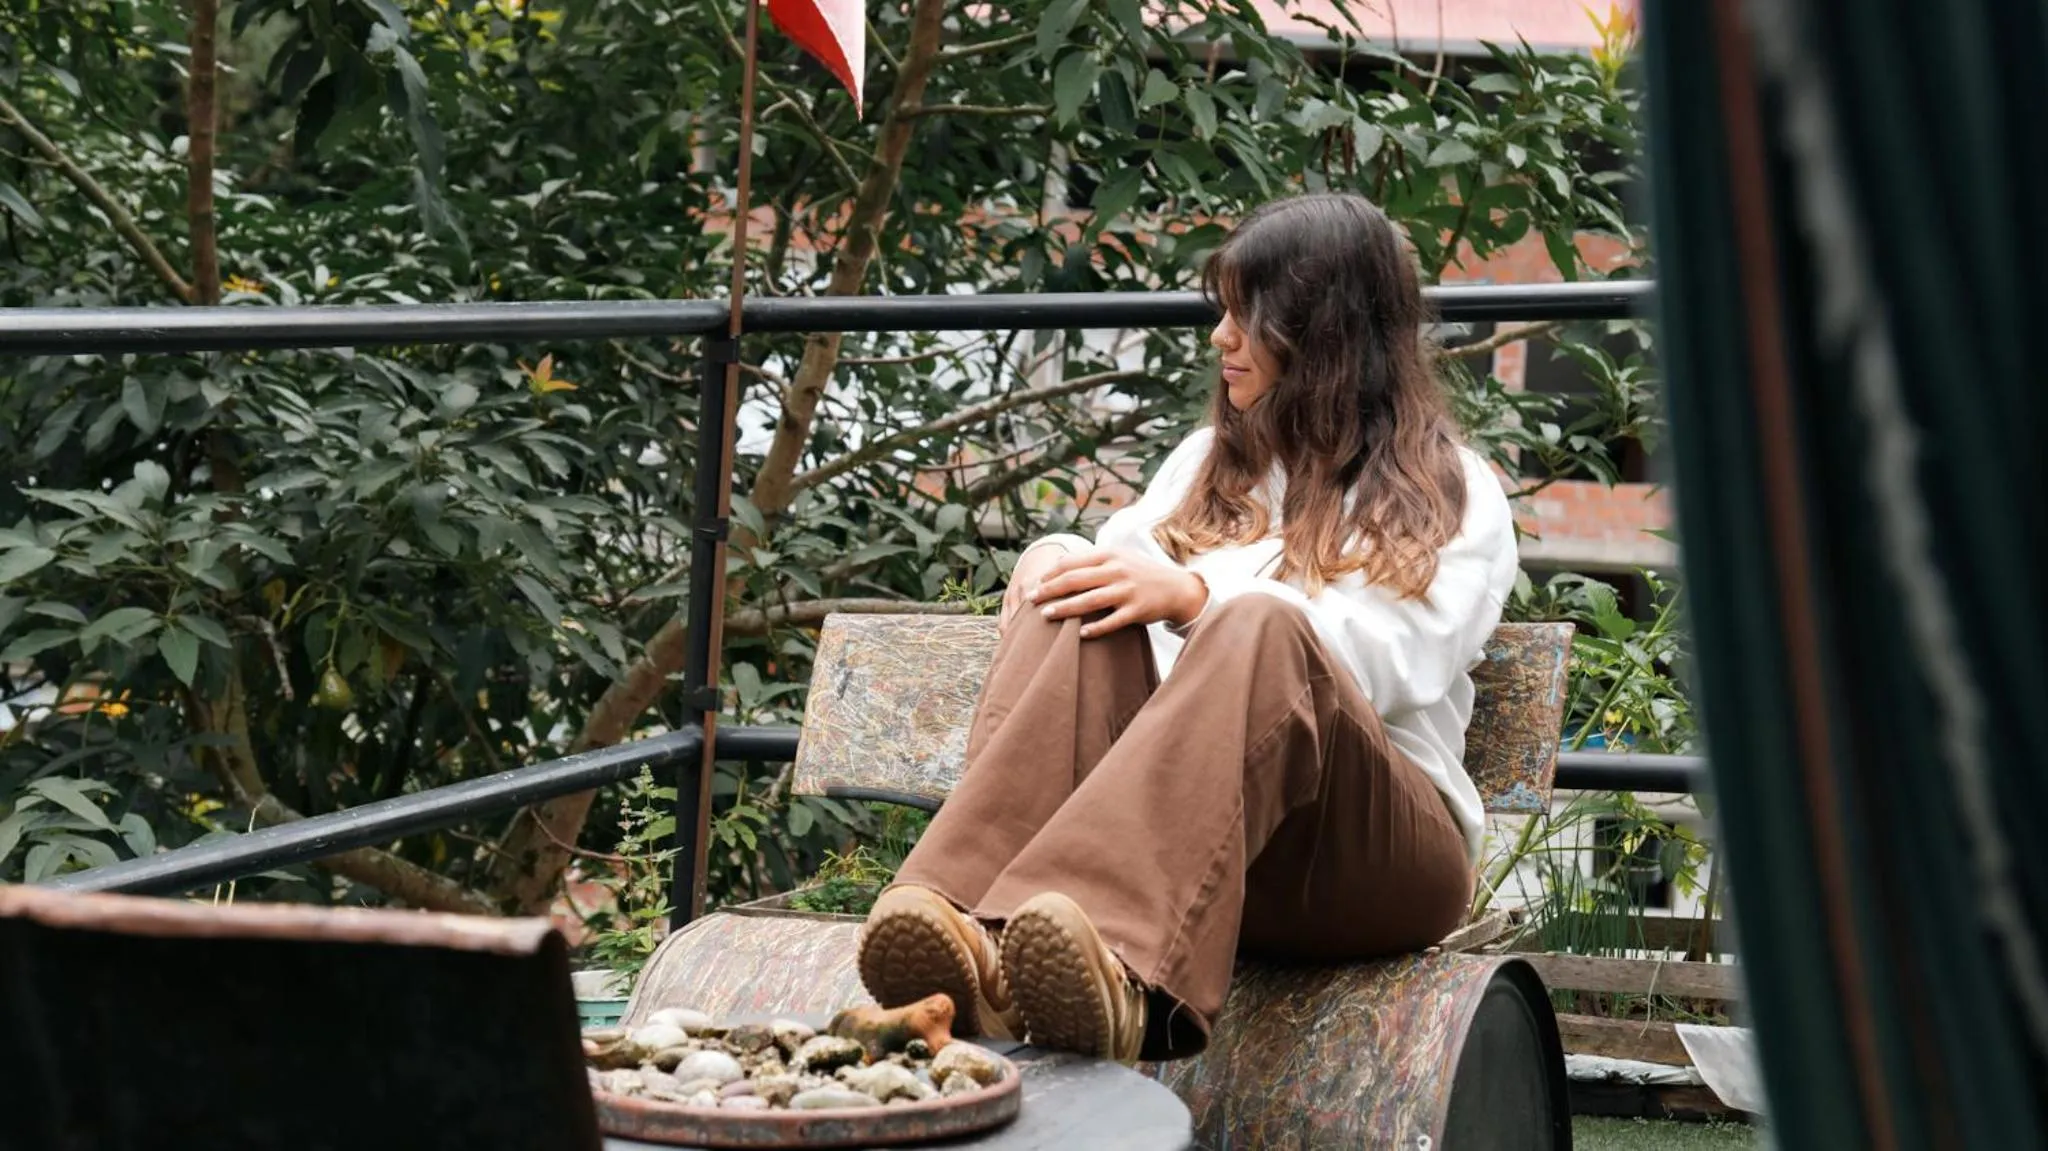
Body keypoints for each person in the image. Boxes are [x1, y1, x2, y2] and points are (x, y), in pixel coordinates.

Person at [852, 192, 1520, 1066]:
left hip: (1367, 858)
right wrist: (1056, 560)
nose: (1220, 337)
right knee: (1078, 602)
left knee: (1261, 626)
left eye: (1249, 315)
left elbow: (1397, 658)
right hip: (1207, 856)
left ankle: (1119, 972)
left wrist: (1197, 597)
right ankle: (969, 926)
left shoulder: (1448, 487)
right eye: (1223, 310)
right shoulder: (1208, 465)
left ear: (1325, 330)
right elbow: (1124, 591)